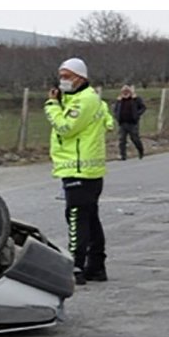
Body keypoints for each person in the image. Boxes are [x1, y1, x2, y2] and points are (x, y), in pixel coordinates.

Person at [46, 57, 113, 285]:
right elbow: (108, 121)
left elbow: (66, 127)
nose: (63, 81)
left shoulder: (85, 101)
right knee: (90, 218)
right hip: (84, 170)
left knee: (76, 218)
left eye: (67, 76)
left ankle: (76, 266)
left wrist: (52, 106)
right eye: (61, 76)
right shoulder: (83, 99)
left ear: (80, 77)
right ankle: (96, 266)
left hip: (80, 170)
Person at [112, 85, 147, 160]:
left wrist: (137, 114)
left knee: (135, 138)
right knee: (122, 140)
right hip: (122, 123)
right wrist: (117, 116)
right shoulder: (119, 100)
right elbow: (115, 109)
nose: (125, 93)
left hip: (133, 123)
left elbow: (143, 107)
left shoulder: (135, 99)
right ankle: (123, 155)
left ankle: (141, 151)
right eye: (124, 92)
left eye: (127, 91)